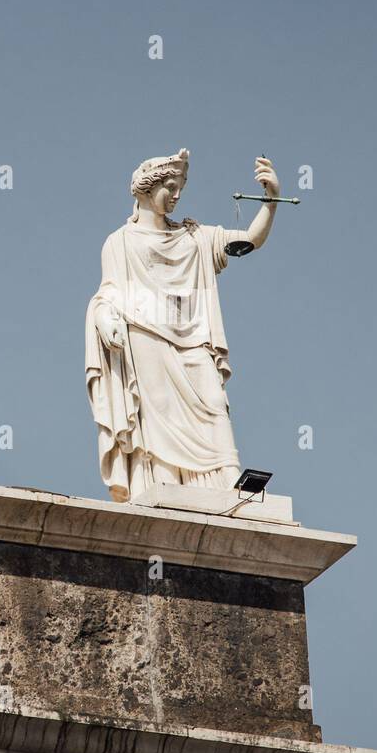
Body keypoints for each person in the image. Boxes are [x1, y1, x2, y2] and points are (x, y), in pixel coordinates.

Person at [85, 148, 280, 502]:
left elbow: (250, 240)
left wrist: (271, 200)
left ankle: (230, 479)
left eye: (181, 189)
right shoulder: (120, 242)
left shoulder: (195, 236)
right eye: (171, 187)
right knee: (157, 410)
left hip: (194, 340)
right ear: (147, 188)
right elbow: (108, 292)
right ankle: (161, 481)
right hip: (145, 332)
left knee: (214, 403)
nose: (176, 195)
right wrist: (103, 318)